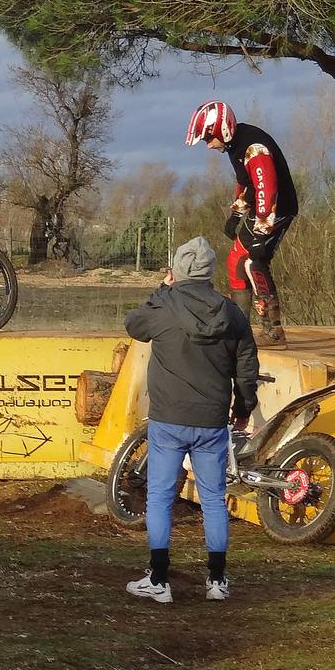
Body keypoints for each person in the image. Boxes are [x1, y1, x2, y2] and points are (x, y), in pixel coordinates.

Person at [123, 236, 259, 604]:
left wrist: (159, 289)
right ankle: (216, 581)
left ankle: (159, 578)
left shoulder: (164, 305)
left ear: (177, 271)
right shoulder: (232, 314)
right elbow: (246, 367)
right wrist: (244, 407)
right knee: (214, 499)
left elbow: (133, 325)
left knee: (161, 498)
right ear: (209, 272)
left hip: (168, 419)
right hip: (212, 420)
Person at [186, 100, 298, 347]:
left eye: (208, 139)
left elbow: (267, 189)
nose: (208, 146)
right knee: (235, 261)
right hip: (263, 208)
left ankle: (273, 331)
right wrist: (236, 214)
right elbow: (246, 183)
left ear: (222, 130)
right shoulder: (236, 145)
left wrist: (261, 234)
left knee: (253, 262)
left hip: (277, 209)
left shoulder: (254, 148)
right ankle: (239, 329)